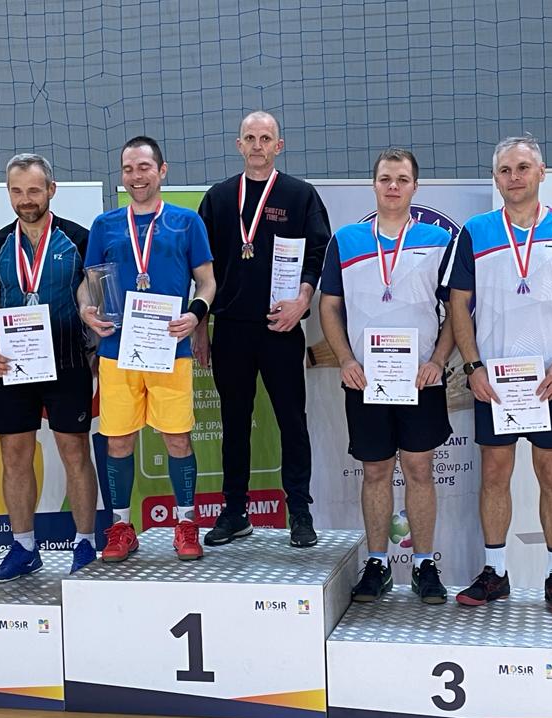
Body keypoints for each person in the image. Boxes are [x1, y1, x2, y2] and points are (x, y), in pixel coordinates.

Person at [445, 135, 552, 614]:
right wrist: (473, 366)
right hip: (494, 380)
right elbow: (458, 303)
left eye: (522, 168)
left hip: (548, 380)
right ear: (495, 178)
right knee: (495, 472)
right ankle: (495, 572)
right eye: (505, 170)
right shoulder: (475, 231)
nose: (513, 177)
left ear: (541, 172)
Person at [319, 147, 454, 605]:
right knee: (375, 470)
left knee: (419, 469)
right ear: (373, 184)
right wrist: (345, 360)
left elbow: (457, 309)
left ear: (415, 186)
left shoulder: (439, 240)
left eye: (402, 179)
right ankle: (377, 563)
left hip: (420, 379)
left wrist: (438, 360)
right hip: (366, 378)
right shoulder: (347, 240)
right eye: (385, 179)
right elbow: (329, 307)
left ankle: (424, 565)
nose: (393, 187)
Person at [195, 111, 331, 548]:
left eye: (266, 138)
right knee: (234, 422)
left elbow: (318, 255)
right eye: (250, 138)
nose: (257, 145)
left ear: (279, 145)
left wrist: (303, 301)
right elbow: (201, 269)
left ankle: (300, 512)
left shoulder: (300, 196)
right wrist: (200, 326)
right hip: (231, 328)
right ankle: (235, 511)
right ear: (239, 145)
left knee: (292, 421)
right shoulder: (218, 198)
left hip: (281, 326)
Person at [80, 136, 216, 562]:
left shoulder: (186, 222)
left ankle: (187, 523)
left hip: (169, 349)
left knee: (177, 438)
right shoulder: (104, 225)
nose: (136, 176)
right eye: (128, 169)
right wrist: (86, 309)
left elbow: (207, 281)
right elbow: (88, 283)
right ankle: (122, 527)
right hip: (116, 350)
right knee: (118, 440)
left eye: (144, 167)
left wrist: (195, 314)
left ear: (162, 171)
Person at [0, 153, 99, 580]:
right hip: (14, 363)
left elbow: (88, 296)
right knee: (14, 455)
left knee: (74, 451)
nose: (25, 199)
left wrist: (90, 323)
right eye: (17, 191)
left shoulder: (79, 239)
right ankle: (24, 547)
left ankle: (85, 542)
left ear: (51, 189)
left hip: (68, 360)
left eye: (33, 190)